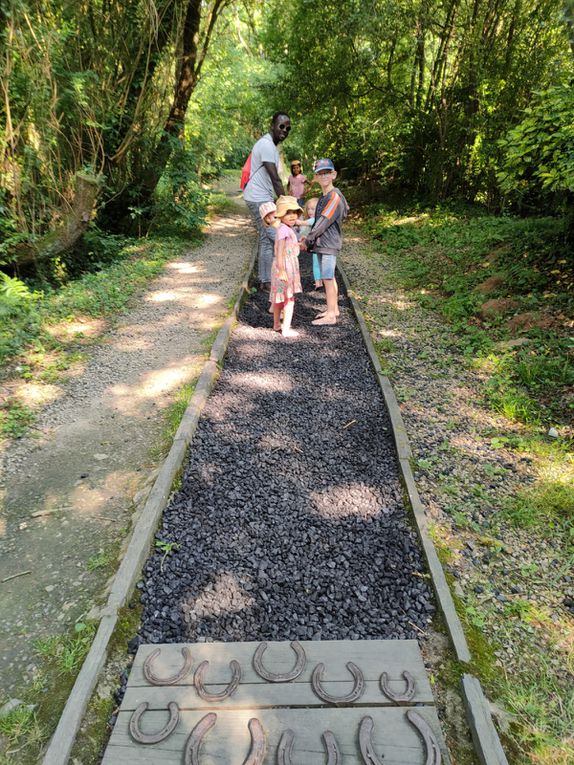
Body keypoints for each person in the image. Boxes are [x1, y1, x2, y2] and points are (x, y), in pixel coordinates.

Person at [243, 113, 291, 290]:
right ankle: (283, 277)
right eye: (281, 126)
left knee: (265, 238)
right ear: (272, 125)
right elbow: (275, 178)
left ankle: (265, 279)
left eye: (288, 128)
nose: (284, 130)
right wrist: (286, 203)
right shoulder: (266, 145)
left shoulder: (269, 145)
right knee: (277, 235)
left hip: (258, 196)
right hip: (258, 198)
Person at [301, 158, 349, 326]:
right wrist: (309, 238)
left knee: (327, 278)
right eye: (320, 174)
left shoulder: (334, 196)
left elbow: (323, 221)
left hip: (329, 244)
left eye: (327, 173)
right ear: (315, 177)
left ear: (334, 174)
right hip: (324, 243)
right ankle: (333, 309)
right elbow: (317, 221)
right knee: (329, 276)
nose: (324, 176)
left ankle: (330, 315)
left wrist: (308, 240)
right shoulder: (324, 196)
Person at [270, 195, 302, 337]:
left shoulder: (285, 228)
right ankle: (286, 329)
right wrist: (282, 270)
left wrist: (298, 244)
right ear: (281, 215)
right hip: (285, 268)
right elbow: (280, 250)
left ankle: (277, 324)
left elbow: (287, 247)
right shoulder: (284, 229)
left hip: (282, 267)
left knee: (279, 296)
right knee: (288, 299)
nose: (292, 216)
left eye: (294, 212)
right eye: (287, 213)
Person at [296, 197, 322, 291]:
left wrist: (296, 221)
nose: (310, 211)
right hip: (321, 245)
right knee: (319, 263)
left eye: (313, 209)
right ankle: (320, 281)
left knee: (316, 264)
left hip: (318, 246)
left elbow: (305, 222)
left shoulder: (315, 219)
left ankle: (319, 282)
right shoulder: (320, 220)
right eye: (308, 209)